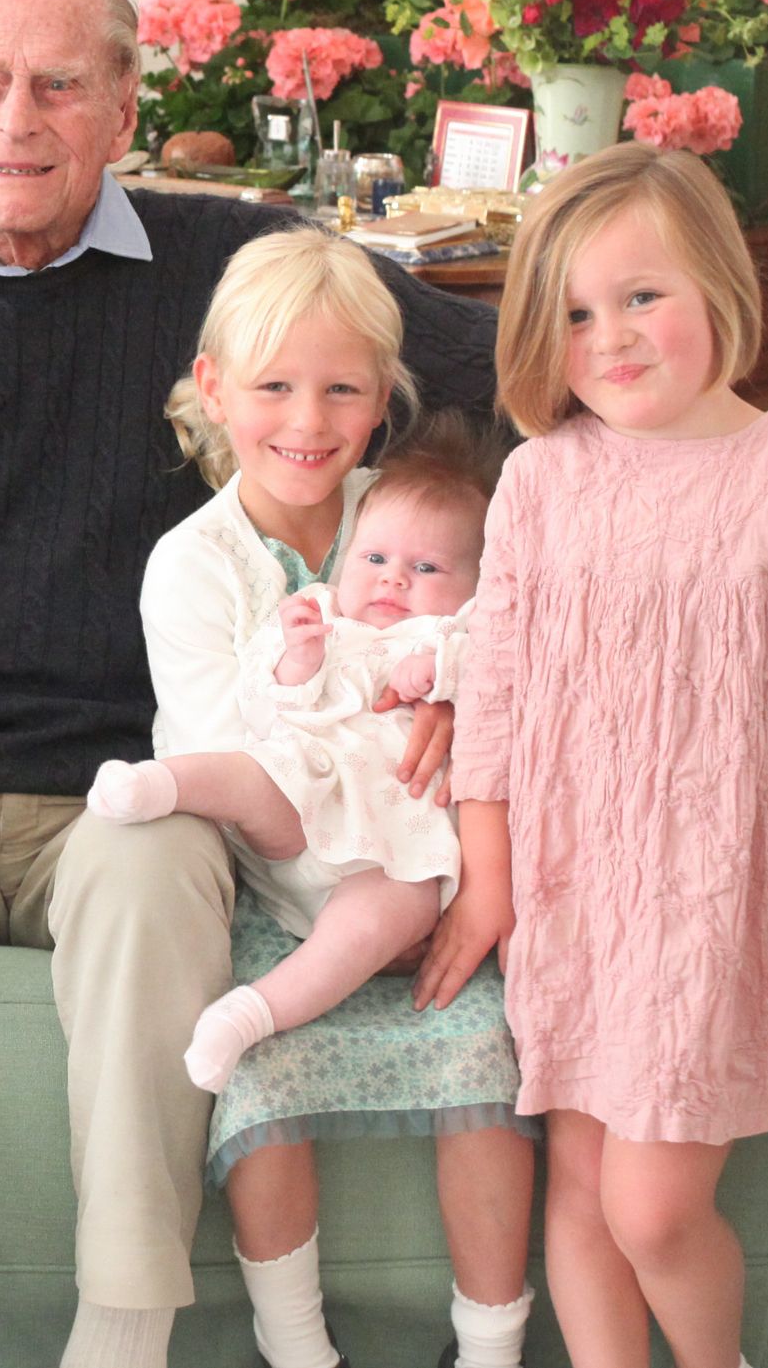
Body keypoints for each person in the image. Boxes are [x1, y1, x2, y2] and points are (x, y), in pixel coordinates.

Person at [0, 0, 499, 1368]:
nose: (20, 119)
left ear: (124, 104)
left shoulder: (230, 268)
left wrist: (479, 659)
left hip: (130, 791)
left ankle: (122, 1326)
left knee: (151, 867)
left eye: (61, 84)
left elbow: (501, 377)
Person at [442, 145, 768, 1368]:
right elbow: (493, 702)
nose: (610, 337)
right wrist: (490, 876)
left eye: (641, 296)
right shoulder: (541, 484)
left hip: (723, 898)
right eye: (573, 314)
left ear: (718, 284)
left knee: (653, 1207)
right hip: (577, 892)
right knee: (584, 1190)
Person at [133, 229, 534, 1368]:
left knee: (485, 1070)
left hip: (430, 873)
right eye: (273, 388)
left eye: (341, 391)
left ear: (381, 403)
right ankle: (296, 1345)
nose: (307, 422)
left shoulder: (411, 513)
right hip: (287, 892)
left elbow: (502, 635)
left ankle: (491, 1345)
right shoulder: (196, 565)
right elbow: (236, 764)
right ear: (215, 393)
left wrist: (459, 700)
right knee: (256, 1086)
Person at [97, 417, 500, 1091]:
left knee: (392, 912)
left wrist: (441, 681)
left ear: (474, 584)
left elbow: (505, 677)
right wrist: (299, 660)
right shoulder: (320, 614)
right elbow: (262, 707)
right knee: (255, 775)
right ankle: (154, 786)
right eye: (374, 560)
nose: (393, 581)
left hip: (393, 851)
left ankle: (250, 1015)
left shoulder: (459, 632)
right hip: (303, 798)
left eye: (426, 568)